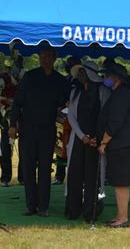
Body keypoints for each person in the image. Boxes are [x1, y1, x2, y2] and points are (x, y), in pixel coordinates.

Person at [8, 47, 67, 217]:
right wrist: (13, 124)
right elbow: (17, 103)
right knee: (28, 167)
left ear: (54, 58)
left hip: (48, 130)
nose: (45, 60)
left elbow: (67, 101)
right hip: (27, 129)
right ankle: (30, 205)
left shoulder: (59, 80)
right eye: (42, 57)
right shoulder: (30, 77)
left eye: (48, 57)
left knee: (45, 168)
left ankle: (43, 207)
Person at [97, 63, 130, 228]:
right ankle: (120, 215)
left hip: (123, 145)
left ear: (115, 78)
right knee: (119, 182)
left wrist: (103, 142)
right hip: (123, 144)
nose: (105, 79)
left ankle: (123, 218)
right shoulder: (120, 93)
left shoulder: (120, 95)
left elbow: (115, 122)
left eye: (107, 76)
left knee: (121, 182)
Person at [65, 60, 110, 221]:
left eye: (83, 72)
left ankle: (90, 212)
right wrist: (82, 136)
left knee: (93, 176)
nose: (80, 76)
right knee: (74, 175)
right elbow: (71, 116)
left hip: (96, 140)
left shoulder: (103, 91)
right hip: (79, 139)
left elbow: (106, 116)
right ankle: (73, 209)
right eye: (79, 73)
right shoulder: (75, 92)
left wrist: (97, 137)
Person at [53, 56, 81, 185]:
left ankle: (76, 176)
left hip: (79, 118)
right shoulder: (64, 80)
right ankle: (59, 176)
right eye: (70, 65)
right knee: (61, 145)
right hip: (64, 117)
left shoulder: (82, 82)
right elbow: (58, 96)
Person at [0, 55, 25, 187]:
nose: (18, 65)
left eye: (20, 63)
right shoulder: (6, 79)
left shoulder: (25, 79)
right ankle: (5, 177)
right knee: (5, 148)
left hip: (24, 117)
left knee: (24, 149)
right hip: (7, 116)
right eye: (16, 62)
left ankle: (23, 177)